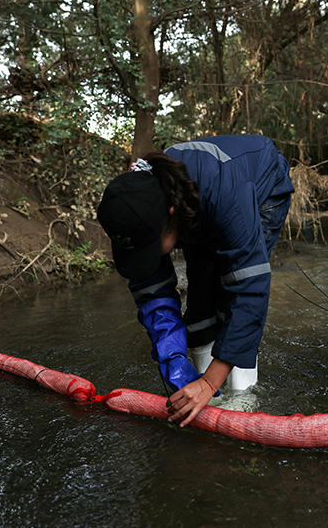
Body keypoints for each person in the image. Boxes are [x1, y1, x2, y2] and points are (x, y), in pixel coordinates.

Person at [98, 135, 294, 427]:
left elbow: (250, 291)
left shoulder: (226, 195)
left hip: (260, 186)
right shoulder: (141, 204)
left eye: (150, 246)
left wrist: (209, 383)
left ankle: (242, 401)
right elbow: (151, 289)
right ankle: (204, 392)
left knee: (230, 290)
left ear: (172, 216)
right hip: (199, 201)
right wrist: (172, 355)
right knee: (201, 293)